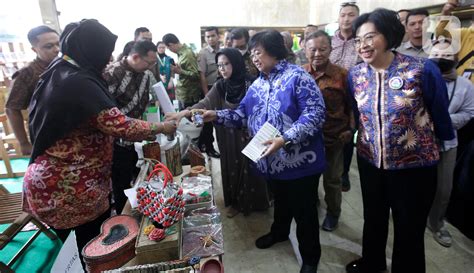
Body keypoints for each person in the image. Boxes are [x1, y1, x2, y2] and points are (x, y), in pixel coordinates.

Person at [23, 19, 176, 270]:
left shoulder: (62, 71)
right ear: (91, 51)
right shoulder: (77, 82)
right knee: (91, 254)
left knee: (90, 247)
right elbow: (120, 125)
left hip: (64, 183)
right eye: (104, 54)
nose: (108, 60)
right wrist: (161, 127)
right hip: (67, 189)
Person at [200, 30, 326, 273]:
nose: (254, 58)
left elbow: (316, 114)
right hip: (272, 160)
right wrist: (215, 115)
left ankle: (310, 258)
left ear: (275, 52)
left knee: (305, 212)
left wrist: (286, 138)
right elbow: (241, 115)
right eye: (252, 54)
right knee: (280, 201)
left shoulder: (297, 77)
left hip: (300, 163)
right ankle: (279, 232)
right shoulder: (258, 84)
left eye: (258, 52)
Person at [345, 9, 454, 273]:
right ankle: (372, 263)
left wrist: (444, 151)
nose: (364, 45)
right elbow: (357, 114)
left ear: (389, 35)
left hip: (414, 166)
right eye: (359, 40)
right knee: (373, 218)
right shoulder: (356, 75)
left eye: (370, 37)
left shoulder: (421, 69)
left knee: (409, 227)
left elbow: (440, 115)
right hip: (371, 161)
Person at [166, 48, 270, 217]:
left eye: (226, 64)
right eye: (219, 65)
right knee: (233, 166)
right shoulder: (221, 85)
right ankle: (236, 202)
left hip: (250, 135)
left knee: (252, 168)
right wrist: (183, 113)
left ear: (236, 63)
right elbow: (204, 103)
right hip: (228, 136)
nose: (222, 68)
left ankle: (257, 202)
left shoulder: (253, 83)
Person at [303, 30, 354, 232]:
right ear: (305, 51)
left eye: (322, 49)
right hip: (306, 138)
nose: (317, 54)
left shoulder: (342, 75)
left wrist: (351, 128)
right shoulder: (299, 73)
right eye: (312, 49)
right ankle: (313, 203)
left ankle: (333, 213)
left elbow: (352, 105)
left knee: (332, 180)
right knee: (308, 177)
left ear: (331, 49)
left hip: (334, 136)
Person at [427, 40, 474, 247]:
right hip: (418, 141)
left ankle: (436, 223)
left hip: (447, 142)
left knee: (443, 188)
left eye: (446, 56)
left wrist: (443, 121)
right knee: (413, 184)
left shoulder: (465, 85)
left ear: (455, 59)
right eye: (436, 54)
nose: (440, 59)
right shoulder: (420, 78)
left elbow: (469, 112)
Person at [103, 40, 158, 214]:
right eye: (148, 63)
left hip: (133, 137)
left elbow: (148, 101)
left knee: (133, 173)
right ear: (135, 57)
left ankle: (134, 209)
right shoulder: (112, 73)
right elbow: (106, 112)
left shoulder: (145, 74)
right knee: (120, 181)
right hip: (114, 139)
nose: (150, 67)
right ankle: (122, 218)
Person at [162, 33, 219, 158]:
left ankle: (206, 148)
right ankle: (199, 149)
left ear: (171, 45)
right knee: (193, 124)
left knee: (199, 122)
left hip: (191, 97)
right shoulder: (181, 54)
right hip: (185, 95)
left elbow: (195, 74)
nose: (170, 50)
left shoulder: (187, 54)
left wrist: (179, 71)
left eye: (169, 48)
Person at [5, 25, 59, 155]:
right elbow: (12, 108)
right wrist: (24, 143)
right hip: (45, 136)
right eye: (49, 46)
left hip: (72, 133)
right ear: (34, 49)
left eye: (58, 44)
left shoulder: (65, 66)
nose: (57, 49)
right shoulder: (27, 73)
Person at [329, 2, 361, 192]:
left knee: (349, 134)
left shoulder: (361, 41)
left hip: (354, 96)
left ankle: (344, 173)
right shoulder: (329, 41)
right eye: (343, 15)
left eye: (351, 15)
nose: (347, 19)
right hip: (330, 96)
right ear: (338, 18)